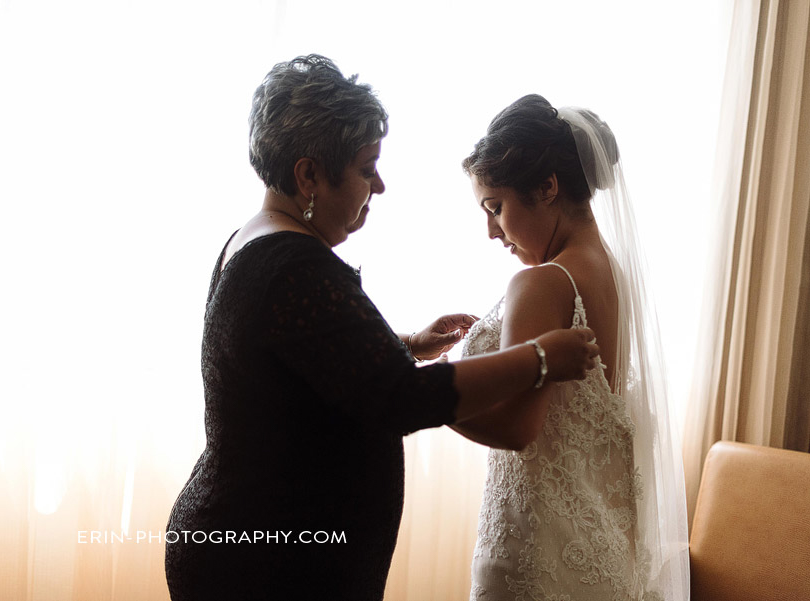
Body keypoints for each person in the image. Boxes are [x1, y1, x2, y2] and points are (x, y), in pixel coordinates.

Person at [164, 58, 600, 601]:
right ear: (309, 176)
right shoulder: (293, 265)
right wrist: (540, 358)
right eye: (368, 168)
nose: (381, 185)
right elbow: (398, 398)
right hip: (269, 562)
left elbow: (296, 360)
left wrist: (406, 344)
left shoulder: (255, 241)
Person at [452, 95, 689, 601]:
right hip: (601, 556)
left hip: (535, 558)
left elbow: (518, 427)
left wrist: (410, 397)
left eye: (496, 207)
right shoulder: (615, 276)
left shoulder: (542, 284)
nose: (490, 231)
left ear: (548, 187)